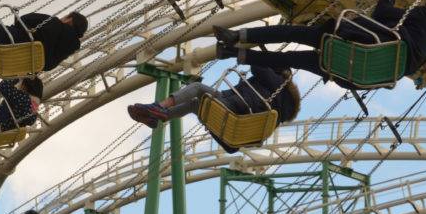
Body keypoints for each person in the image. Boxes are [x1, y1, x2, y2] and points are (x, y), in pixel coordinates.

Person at [214, 0, 426, 88]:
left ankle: (237, 36)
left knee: (292, 32)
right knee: (290, 59)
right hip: (349, 72)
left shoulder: (424, 15)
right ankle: (233, 53)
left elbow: (381, 13)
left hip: (355, 43)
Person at [127, 66, 300, 152]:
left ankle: (158, 108)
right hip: (234, 139)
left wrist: (255, 51)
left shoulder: (279, 83)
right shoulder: (278, 109)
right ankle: (156, 116)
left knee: (197, 88)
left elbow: (257, 66)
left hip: (236, 111)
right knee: (195, 104)